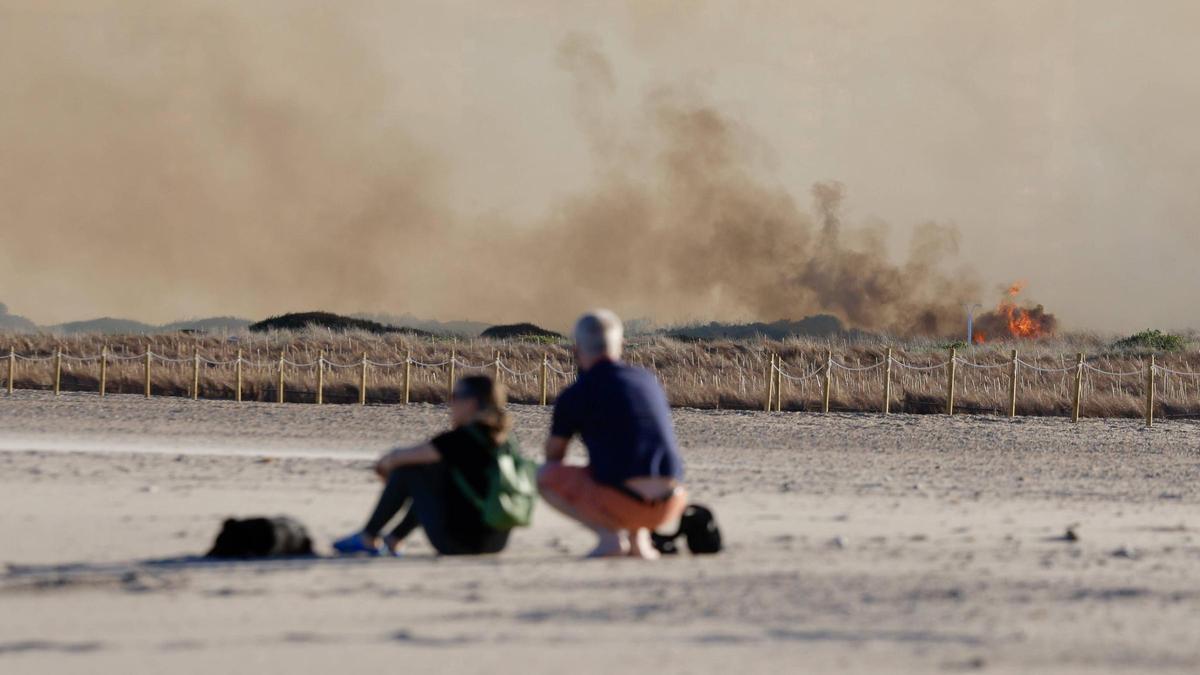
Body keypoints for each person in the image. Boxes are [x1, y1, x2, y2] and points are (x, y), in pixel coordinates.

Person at [538, 309, 687, 558]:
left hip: (622, 501)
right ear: (622, 346)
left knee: (544, 476)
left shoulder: (578, 393)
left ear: (576, 351)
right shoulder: (648, 381)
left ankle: (611, 538)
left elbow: (555, 455)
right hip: (672, 502)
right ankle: (640, 540)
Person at [333, 375, 513, 557]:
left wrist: (384, 466)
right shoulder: (506, 441)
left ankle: (369, 536)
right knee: (432, 472)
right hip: (497, 542)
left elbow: (398, 458)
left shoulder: (460, 439)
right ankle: (394, 539)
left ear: (471, 403)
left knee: (409, 471)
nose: (451, 404)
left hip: (459, 543)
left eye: (455, 397)